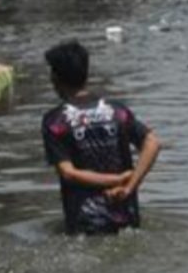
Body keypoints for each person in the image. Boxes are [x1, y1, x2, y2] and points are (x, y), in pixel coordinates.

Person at [41, 40, 162, 235]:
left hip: (85, 222)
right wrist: (128, 186)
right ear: (86, 73)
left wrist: (115, 180)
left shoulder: (55, 121)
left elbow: (69, 173)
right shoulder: (117, 111)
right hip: (127, 217)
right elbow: (153, 143)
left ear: (55, 77)